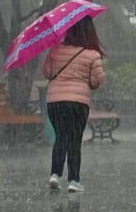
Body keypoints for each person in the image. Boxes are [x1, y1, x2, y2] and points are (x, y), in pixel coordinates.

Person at [43, 16, 105, 193]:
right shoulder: (92, 55)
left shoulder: (55, 50)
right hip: (78, 103)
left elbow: (47, 72)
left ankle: (55, 174)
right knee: (75, 140)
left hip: (55, 102)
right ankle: (74, 179)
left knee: (60, 136)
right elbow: (96, 82)